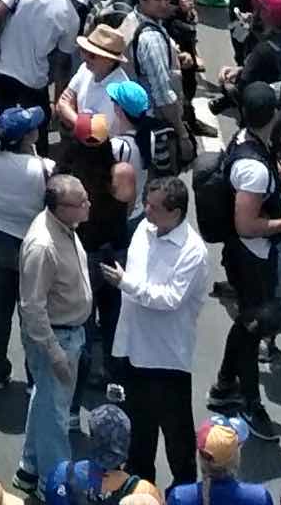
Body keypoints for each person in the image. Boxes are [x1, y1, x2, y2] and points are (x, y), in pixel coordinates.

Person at [111, 169, 214, 490]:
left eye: (154, 206)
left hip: (166, 357)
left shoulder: (192, 252)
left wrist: (125, 283)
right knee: (138, 432)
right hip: (133, 348)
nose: (146, 209)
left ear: (176, 213)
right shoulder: (145, 227)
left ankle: (183, 492)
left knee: (176, 436)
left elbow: (170, 298)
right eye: (147, 203)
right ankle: (141, 490)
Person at [20, 170, 101, 498]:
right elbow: (32, 308)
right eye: (80, 202)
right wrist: (55, 355)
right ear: (59, 207)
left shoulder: (65, 227)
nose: (88, 205)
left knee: (45, 401)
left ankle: (29, 466)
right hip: (57, 337)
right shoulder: (43, 246)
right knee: (55, 416)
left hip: (70, 331)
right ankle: (52, 485)